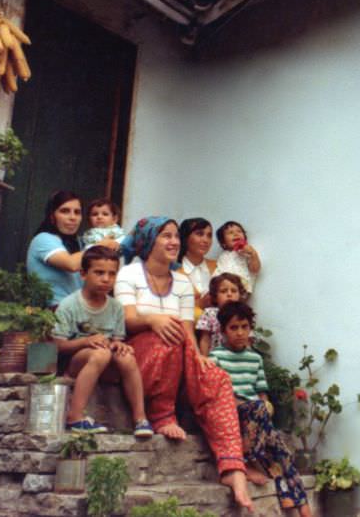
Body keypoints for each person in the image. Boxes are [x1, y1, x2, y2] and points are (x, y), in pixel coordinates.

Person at [114, 217, 253, 512]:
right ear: (149, 241)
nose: (174, 242)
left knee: (216, 377)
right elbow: (126, 319)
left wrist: (200, 361)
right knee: (166, 337)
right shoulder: (128, 274)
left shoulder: (181, 282)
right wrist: (153, 319)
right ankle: (162, 415)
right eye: (166, 236)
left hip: (176, 348)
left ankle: (232, 468)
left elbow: (188, 331)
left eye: (176, 236)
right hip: (136, 351)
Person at [210, 302, 312, 517]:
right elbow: (216, 395)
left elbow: (261, 391)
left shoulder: (255, 358)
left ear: (250, 329)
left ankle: (298, 502)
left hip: (255, 417)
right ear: (223, 331)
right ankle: (246, 462)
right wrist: (252, 406)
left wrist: (265, 406)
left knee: (280, 448)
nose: (240, 333)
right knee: (258, 410)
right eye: (233, 328)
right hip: (230, 413)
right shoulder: (216, 357)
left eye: (244, 327)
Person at [52, 246, 153, 437]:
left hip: (106, 365)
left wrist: (119, 345)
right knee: (101, 353)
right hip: (77, 364)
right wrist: (85, 341)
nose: (106, 279)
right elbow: (58, 345)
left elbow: (116, 339)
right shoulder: (69, 305)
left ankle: (140, 419)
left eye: (112, 274)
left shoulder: (115, 307)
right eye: (99, 272)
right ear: (83, 274)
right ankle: (74, 416)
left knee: (127, 357)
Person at [26, 191, 120, 307]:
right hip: (50, 313)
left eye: (77, 212)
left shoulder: (81, 244)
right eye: (65, 211)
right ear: (52, 216)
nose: (72, 217)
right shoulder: (43, 239)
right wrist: (101, 245)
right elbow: (71, 264)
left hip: (79, 312)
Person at [196, 272, 246, 356]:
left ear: (240, 294)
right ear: (215, 297)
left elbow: (246, 339)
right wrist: (204, 359)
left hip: (236, 359)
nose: (229, 294)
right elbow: (205, 339)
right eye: (223, 291)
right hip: (215, 359)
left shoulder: (243, 313)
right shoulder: (209, 313)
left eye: (234, 291)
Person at [178, 218, 217, 312]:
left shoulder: (218, 266)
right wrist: (199, 304)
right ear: (185, 237)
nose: (206, 240)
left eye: (209, 235)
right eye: (200, 234)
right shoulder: (173, 270)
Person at [214, 221, 261, 294]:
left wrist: (253, 254)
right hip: (224, 287)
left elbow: (255, 269)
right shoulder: (223, 256)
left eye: (239, 231)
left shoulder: (246, 252)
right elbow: (219, 271)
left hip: (242, 288)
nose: (236, 234)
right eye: (230, 233)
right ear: (223, 243)